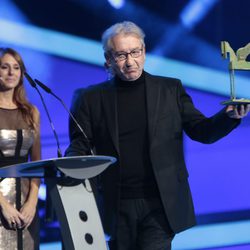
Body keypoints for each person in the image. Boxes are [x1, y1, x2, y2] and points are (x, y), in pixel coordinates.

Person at [65, 21, 250, 250]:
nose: (130, 61)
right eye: (121, 55)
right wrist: (67, 166)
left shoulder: (170, 89)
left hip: (161, 203)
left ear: (144, 52)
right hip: (116, 202)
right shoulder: (90, 98)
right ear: (109, 58)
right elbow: (80, 144)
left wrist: (228, 117)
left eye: (135, 52)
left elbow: (202, 131)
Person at [0, 48, 40, 250]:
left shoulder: (31, 112)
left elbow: (38, 163)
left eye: (16, 68)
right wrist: (3, 205)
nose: (11, 73)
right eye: (4, 67)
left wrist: (32, 201)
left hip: (26, 202)